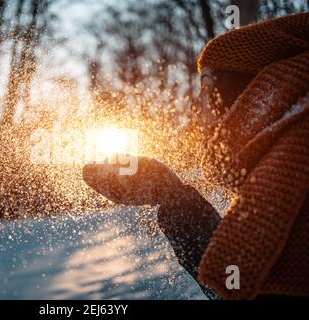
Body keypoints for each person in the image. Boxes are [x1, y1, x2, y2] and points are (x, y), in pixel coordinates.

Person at [83, 12, 309, 300]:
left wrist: (173, 197)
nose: (197, 109)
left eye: (206, 91)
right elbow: (237, 284)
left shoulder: (293, 177)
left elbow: (242, 292)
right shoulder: (280, 169)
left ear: (253, 95)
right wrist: (173, 197)